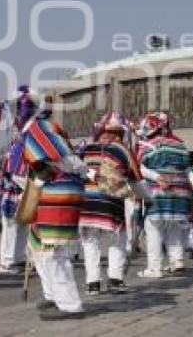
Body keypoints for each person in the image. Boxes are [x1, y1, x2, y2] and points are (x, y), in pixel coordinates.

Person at [22, 102, 87, 320]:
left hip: (59, 192)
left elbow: (58, 164)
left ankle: (70, 304)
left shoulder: (38, 131)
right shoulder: (44, 131)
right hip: (54, 192)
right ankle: (54, 296)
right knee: (42, 249)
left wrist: (41, 175)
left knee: (54, 251)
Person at [79, 112, 140, 295]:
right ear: (119, 133)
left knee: (90, 241)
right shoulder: (121, 149)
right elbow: (135, 178)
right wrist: (147, 197)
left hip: (87, 201)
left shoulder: (88, 148)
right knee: (118, 238)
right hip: (110, 201)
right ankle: (115, 279)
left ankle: (93, 284)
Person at [136, 112, 192, 278]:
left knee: (153, 228)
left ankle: (155, 268)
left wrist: (156, 177)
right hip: (180, 192)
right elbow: (187, 168)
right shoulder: (180, 145)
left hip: (158, 192)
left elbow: (139, 167)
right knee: (174, 227)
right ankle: (177, 262)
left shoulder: (148, 144)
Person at [0, 86, 36, 274]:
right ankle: (7, 261)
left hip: (23, 189)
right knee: (11, 225)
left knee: (22, 224)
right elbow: (15, 171)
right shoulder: (19, 143)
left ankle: (18, 259)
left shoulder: (25, 140)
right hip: (15, 189)